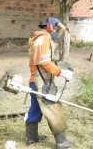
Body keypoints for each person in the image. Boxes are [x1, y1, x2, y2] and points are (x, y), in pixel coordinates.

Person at [26, 17, 74, 149]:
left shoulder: (37, 38)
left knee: (35, 108)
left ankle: (32, 138)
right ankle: (61, 142)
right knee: (53, 109)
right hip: (42, 83)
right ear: (49, 27)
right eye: (57, 29)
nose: (57, 33)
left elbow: (41, 61)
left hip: (34, 81)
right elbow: (44, 62)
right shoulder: (44, 38)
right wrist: (61, 72)